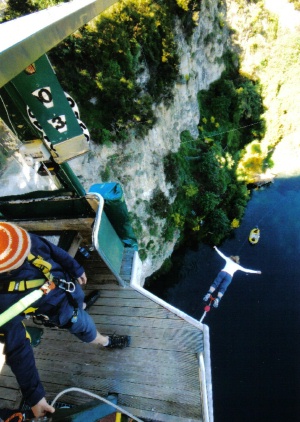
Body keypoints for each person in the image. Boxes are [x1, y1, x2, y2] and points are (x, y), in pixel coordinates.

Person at [0, 222, 130, 418]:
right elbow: (18, 350)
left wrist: (75, 268)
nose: (28, 247)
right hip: (62, 312)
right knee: (85, 326)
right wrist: (35, 397)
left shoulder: (20, 242)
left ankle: (82, 305)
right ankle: (105, 341)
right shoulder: (3, 302)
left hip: (69, 286)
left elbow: (52, 250)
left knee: (79, 303)